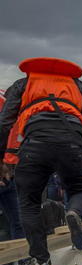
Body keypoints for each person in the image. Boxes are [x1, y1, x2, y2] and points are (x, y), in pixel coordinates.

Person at [0, 58, 82, 265]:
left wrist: (1, 158)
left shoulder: (24, 83)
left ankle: (40, 259)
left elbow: (4, 121)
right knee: (78, 190)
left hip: (34, 144)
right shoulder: (79, 86)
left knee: (28, 201)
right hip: (72, 144)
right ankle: (74, 212)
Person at [0, 89, 23, 244]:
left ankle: (22, 259)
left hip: (9, 170)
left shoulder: (6, 97)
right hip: (7, 167)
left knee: (19, 219)